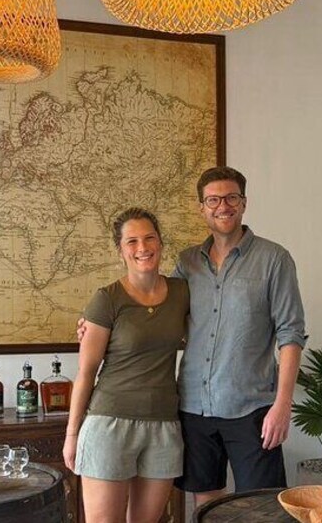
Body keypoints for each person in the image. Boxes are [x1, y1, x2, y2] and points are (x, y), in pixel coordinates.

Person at [172, 166, 306, 507]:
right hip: (194, 406)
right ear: (202, 207)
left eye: (231, 198)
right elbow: (158, 311)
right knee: (207, 502)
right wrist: (101, 325)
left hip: (252, 408)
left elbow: (291, 334)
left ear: (244, 203)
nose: (223, 206)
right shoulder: (187, 263)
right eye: (213, 200)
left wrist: (282, 405)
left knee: (261, 507)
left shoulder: (274, 259)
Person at [62, 207, 189, 523]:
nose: (142, 248)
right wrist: (72, 435)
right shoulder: (107, 299)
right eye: (132, 241)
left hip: (164, 426)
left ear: (160, 242)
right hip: (109, 425)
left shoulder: (182, 292)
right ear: (120, 250)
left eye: (149, 238)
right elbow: (86, 373)